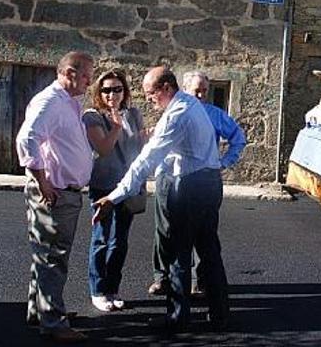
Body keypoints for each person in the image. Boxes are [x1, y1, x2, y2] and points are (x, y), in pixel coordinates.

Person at [92, 66, 229, 332]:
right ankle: (219, 313)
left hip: (190, 188)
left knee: (179, 253)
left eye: (150, 93)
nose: (148, 99)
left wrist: (113, 197)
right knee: (210, 250)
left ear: (166, 88)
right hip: (209, 183)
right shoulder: (190, 104)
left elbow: (146, 160)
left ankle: (178, 317)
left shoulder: (177, 114)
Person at [16, 51, 94, 344]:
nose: (90, 81)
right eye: (86, 74)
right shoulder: (50, 101)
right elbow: (27, 138)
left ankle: (42, 311)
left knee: (47, 255)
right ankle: (53, 322)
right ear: (70, 73)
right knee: (53, 257)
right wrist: (42, 180)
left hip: (63, 191)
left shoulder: (67, 102)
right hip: (57, 193)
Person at [148, 71, 246, 298]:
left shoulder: (214, 114)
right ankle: (162, 278)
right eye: (196, 90)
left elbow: (238, 138)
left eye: (205, 90)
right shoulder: (171, 110)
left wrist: (224, 163)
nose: (201, 95)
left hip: (200, 182)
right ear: (183, 88)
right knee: (164, 231)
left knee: (203, 238)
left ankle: (197, 284)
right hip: (168, 177)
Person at [82, 69, 146, 312]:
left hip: (127, 184)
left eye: (117, 89)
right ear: (99, 92)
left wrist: (145, 138)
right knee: (101, 239)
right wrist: (117, 127)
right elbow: (104, 149)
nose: (112, 94)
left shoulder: (133, 113)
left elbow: (138, 148)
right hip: (103, 185)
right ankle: (98, 291)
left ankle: (112, 288)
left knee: (119, 241)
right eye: (106, 89)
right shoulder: (92, 116)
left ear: (124, 91)